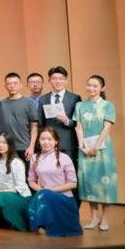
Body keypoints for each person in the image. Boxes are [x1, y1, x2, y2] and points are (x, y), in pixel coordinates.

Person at [73, 75, 117, 231]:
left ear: (102, 88)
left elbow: (106, 128)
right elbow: (78, 127)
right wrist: (82, 145)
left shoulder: (108, 105)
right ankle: (94, 217)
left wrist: (96, 147)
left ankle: (104, 218)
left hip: (103, 149)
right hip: (85, 148)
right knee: (89, 181)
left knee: (105, 181)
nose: (91, 88)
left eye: (95, 86)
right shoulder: (80, 105)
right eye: (89, 85)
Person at [27, 128, 81, 237]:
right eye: (43, 139)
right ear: (39, 141)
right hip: (44, 196)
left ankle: (45, 224)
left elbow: (73, 183)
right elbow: (31, 181)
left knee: (44, 196)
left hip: (64, 198)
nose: (46, 142)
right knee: (36, 198)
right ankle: (42, 224)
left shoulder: (65, 158)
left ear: (56, 141)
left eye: (50, 139)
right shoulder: (34, 158)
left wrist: (50, 191)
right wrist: (41, 190)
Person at [40, 66, 81, 200]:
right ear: (49, 80)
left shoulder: (75, 98)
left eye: (61, 78)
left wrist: (67, 121)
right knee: (51, 177)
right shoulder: (43, 99)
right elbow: (41, 124)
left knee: (70, 177)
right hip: (49, 146)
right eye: (54, 78)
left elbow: (78, 123)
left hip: (68, 144)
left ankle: (72, 207)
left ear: (66, 80)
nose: (58, 81)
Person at [0, 132, 31, 231]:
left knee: (0, 197)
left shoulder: (16, 162)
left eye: (4, 143)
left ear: (10, 144)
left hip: (20, 196)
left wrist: (0, 192)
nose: (0, 145)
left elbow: (21, 187)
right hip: (4, 195)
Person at [0, 73, 39, 166]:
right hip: (6, 147)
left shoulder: (29, 103)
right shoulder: (0, 104)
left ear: (21, 85)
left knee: (25, 174)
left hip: (24, 147)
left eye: (15, 83)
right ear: (5, 86)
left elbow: (34, 126)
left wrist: (31, 147)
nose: (12, 86)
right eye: (9, 84)